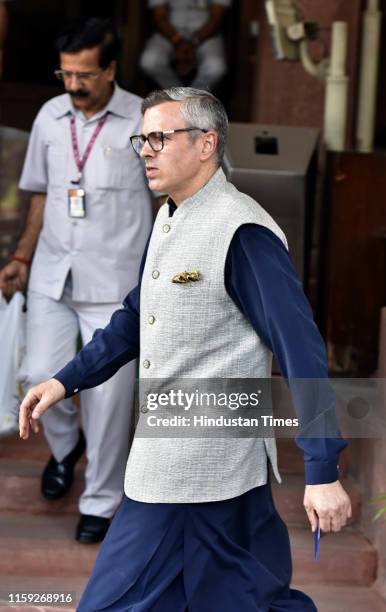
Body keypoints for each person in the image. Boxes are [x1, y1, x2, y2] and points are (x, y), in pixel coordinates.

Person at [19, 87, 352, 611]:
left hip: (191, 469)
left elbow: (301, 351)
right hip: (197, 467)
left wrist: (322, 468)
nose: (145, 149)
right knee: (245, 598)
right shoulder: (170, 217)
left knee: (113, 604)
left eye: (159, 137)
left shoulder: (243, 231)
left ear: (206, 144)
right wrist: (65, 380)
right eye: (141, 138)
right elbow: (135, 318)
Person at [1, 18, 153, 544]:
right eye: (66, 74)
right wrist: (21, 255)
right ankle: (65, 450)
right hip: (51, 273)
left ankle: (100, 501)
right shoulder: (50, 115)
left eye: (85, 75)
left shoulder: (144, 120)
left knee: (109, 401)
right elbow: (40, 194)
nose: (74, 85)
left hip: (116, 284)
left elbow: (168, 199)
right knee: (39, 374)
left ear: (110, 69)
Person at [140, 0, 230, 90]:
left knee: (216, 66)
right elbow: (160, 16)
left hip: (205, 33)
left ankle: (191, 98)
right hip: (169, 31)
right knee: (149, 60)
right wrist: (178, 42)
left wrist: (194, 42)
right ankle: (180, 95)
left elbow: (215, 18)